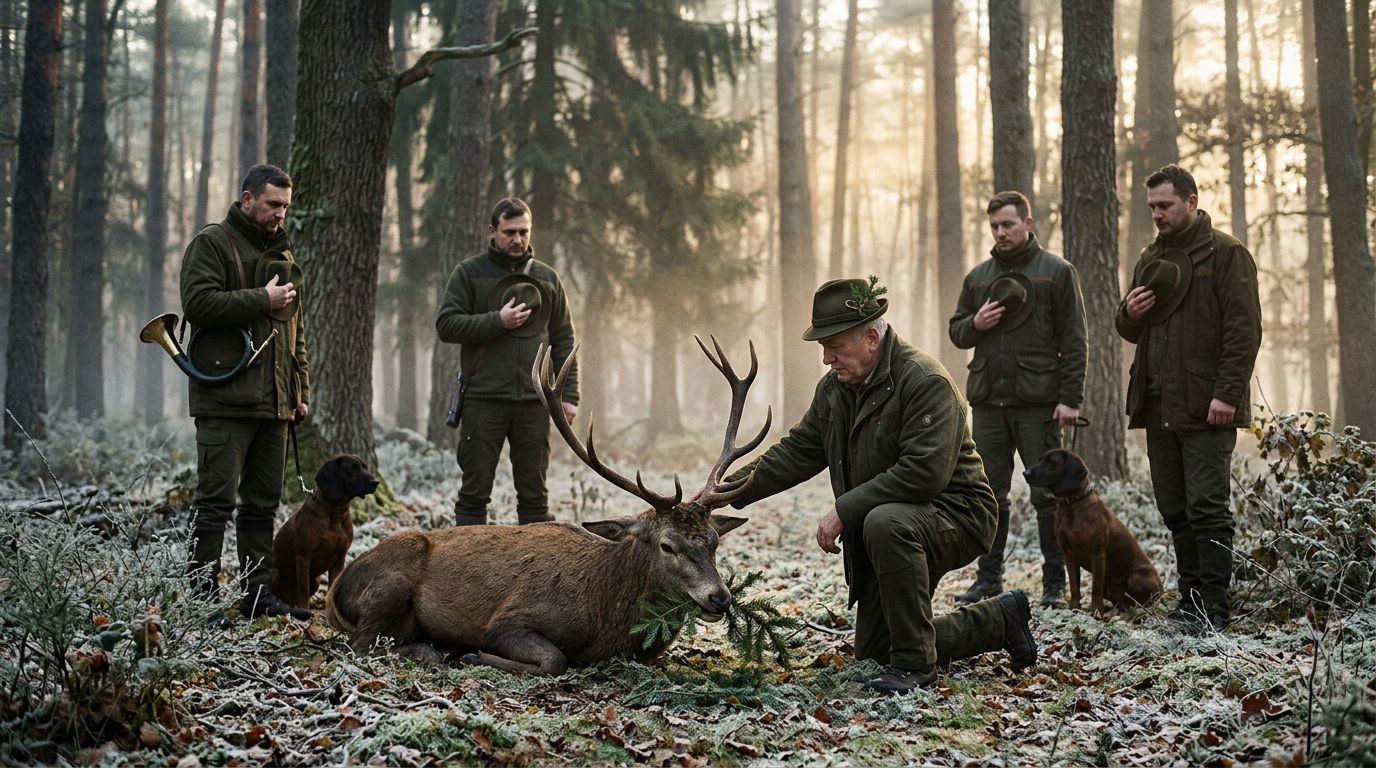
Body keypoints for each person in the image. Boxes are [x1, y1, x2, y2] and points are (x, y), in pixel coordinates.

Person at [719, 278, 1037, 694]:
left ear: (872, 337)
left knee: (884, 523)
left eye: (835, 346)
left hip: (958, 514)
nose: (826, 358)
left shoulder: (924, 380)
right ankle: (1000, 620)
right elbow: (798, 451)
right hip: (894, 524)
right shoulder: (835, 389)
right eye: (822, 348)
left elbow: (924, 472)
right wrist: (723, 492)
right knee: (874, 652)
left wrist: (844, 511)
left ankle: (915, 668)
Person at [1115, 164, 1261, 634]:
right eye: (1152, 207)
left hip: (1207, 405)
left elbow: (1244, 331)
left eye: (1165, 205)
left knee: (1207, 508)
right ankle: (1191, 601)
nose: (1157, 214)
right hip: (1157, 402)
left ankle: (1216, 607)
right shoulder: (1149, 256)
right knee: (1175, 507)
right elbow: (1129, 327)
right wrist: (1128, 313)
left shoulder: (1226, 254)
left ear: (1192, 201)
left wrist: (1226, 395)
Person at [180, 164, 311, 620]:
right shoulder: (212, 242)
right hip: (225, 400)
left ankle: (257, 595)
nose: (280, 214)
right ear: (247, 199)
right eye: (273, 204)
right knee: (214, 503)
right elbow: (196, 303)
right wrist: (262, 298)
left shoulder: (282, 251)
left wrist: (299, 389)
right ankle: (201, 599)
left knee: (261, 506)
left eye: (286, 207)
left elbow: (295, 329)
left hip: (274, 404)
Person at [948, 191, 1088, 608]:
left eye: (1007, 224)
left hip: (1039, 403)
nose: (1000, 232)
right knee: (990, 494)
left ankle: (1054, 584)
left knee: (1049, 496)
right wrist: (976, 322)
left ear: (1028, 223)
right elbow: (957, 332)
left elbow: (1075, 340)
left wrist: (1070, 398)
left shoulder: (1057, 272)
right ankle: (987, 579)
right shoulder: (978, 277)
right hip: (989, 402)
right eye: (994, 226)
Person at [436, 197, 578, 526]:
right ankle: (467, 572)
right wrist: (497, 321)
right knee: (473, 494)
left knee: (535, 498)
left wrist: (570, 396)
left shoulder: (548, 277)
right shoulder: (468, 274)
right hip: (483, 401)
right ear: (493, 231)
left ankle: (533, 574)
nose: (517, 239)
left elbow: (564, 339)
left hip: (534, 403)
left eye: (524, 232)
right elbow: (446, 325)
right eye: (509, 232)